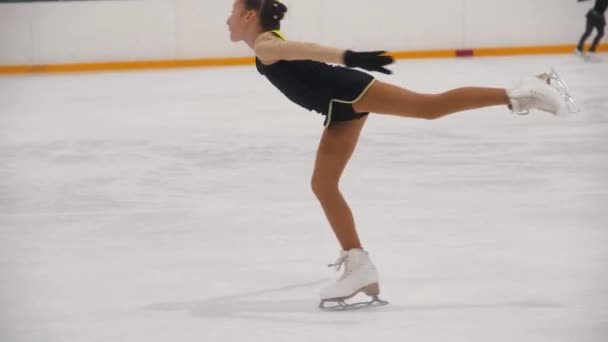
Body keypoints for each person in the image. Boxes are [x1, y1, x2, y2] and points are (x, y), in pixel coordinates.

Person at [225, 0, 570, 310]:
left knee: (429, 107)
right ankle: (359, 266)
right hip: (336, 105)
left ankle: (525, 91)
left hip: (346, 91)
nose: (228, 20)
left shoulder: (267, 45)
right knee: (323, 184)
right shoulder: (266, 46)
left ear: (250, 15)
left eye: (233, 12)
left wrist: (350, 57)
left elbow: (308, 48)